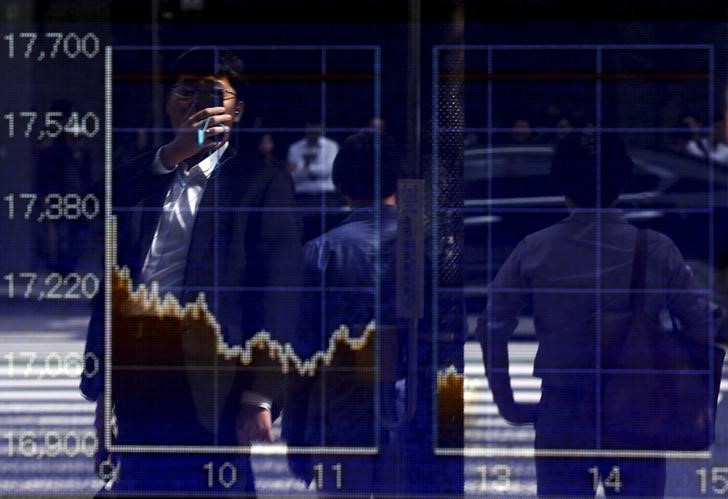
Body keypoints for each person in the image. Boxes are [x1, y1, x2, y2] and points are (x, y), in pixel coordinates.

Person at [80, 47, 301, 496]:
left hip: (214, 379)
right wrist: (102, 391)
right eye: (186, 90)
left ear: (235, 111)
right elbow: (110, 282)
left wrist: (260, 393)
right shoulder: (135, 176)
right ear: (168, 99)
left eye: (213, 93)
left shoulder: (261, 182)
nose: (195, 102)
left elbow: (279, 290)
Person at [476, 132, 726, 497]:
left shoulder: (535, 249)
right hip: (638, 412)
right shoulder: (655, 249)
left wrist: (507, 401)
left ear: (561, 183)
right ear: (622, 183)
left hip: (563, 410)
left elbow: (492, 326)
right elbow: (702, 326)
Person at [282, 132, 405, 496]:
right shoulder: (426, 248)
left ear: (341, 185)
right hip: (411, 416)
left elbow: (303, 350)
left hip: (339, 414)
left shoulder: (320, 253)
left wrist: (295, 434)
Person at [286, 122, 339, 194]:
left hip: (326, 193)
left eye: (315, 129)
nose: (313, 132)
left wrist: (306, 166)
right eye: (310, 129)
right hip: (302, 195)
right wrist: (315, 171)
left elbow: (329, 171)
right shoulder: (295, 148)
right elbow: (293, 177)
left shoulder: (331, 146)